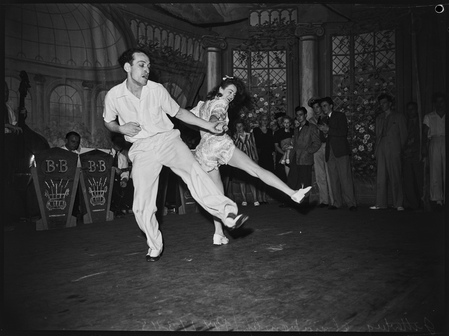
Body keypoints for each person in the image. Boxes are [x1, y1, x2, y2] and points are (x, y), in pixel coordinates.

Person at [103, 48, 248, 262]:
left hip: (167, 140)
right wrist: (120, 129)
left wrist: (208, 125)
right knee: (141, 205)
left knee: (195, 172)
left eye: (148, 66)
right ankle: (154, 245)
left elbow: (179, 113)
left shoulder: (157, 89)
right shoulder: (114, 95)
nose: (146, 69)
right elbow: (109, 121)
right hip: (142, 147)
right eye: (141, 64)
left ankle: (228, 213)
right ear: (128, 67)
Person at [191, 76, 312, 245]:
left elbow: (188, 116)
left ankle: (218, 234)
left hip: (204, 151)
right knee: (256, 170)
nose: (231, 96)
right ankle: (293, 193)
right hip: (219, 144)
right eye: (229, 91)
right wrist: (216, 124)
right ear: (220, 89)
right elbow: (216, 114)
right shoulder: (221, 103)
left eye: (234, 94)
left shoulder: (201, 105)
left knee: (217, 195)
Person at [370, 94, 407, 211]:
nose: (382, 105)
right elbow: (377, 135)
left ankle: (398, 203)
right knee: (381, 176)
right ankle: (381, 203)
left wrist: (399, 149)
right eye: (380, 104)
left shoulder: (399, 116)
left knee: (395, 175)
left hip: (394, 147)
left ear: (390, 103)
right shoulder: (379, 118)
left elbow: (404, 135)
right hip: (381, 146)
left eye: (384, 103)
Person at [320, 97, 358, 211]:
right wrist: (324, 133)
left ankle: (351, 203)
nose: (323, 108)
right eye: (322, 106)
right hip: (329, 152)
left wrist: (328, 129)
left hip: (340, 151)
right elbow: (322, 137)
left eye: (325, 105)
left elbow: (343, 132)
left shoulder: (340, 116)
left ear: (331, 105)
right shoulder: (323, 119)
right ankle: (337, 202)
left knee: (345, 178)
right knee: (333, 178)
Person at [287, 106, 321, 206]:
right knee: (294, 180)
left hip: (305, 159)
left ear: (305, 115)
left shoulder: (312, 127)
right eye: (297, 115)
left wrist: (307, 151)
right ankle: (295, 202)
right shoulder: (296, 129)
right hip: (296, 158)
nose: (299, 117)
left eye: (301, 115)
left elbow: (317, 143)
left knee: (305, 182)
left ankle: (305, 203)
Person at [308, 97, 333, 208]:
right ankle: (324, 200)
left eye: (318, 107)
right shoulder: (311, 121)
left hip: (327, 146)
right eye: (314, 108)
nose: (316, 109)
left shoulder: (328, 117)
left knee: (330, 174)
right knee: (319, 175)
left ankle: (334, 200)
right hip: (317, 148)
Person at [423, 92, 446, 208]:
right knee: (435, 169)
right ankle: (437, 198)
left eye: (442, 101)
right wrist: (425, 148)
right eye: (437, 102)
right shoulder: (429, 116)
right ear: (434, 103)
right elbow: (425, 133)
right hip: (435, 141)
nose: (440, 104)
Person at [231, 119, 259, 207]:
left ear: (244, 127)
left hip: (250, 159)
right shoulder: (234, 136)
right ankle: (244, 199)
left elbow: (254, 146)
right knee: (242, 181)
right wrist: (237, 137)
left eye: (240, 126)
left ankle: (255, 199)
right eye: (237, 126)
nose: (239, 128)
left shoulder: (250, 135)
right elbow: (233, 148)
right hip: (240, 161)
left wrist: (256, 159)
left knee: (252, 180)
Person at [402, 102, 424, 210]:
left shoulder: (421, 123)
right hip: (406, 155)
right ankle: (413, 204)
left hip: (417, 155)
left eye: (413, 109)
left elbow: (423, 139)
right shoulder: (405, 122)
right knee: (408, 181)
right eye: (409, 110)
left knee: (420, 180)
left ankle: (424, 202)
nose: (411, 112)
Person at [253, 114, 275, 204]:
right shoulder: (256, 130)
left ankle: (264, 197)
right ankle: (259, 197)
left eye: (266, 120)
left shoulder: (270, 131)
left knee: (267, 176)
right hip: (259, 156)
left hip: (268, 156)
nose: (265, 121)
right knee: (259, 177)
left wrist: (273, 153)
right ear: (260, 121)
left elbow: (272, 143)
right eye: (263, 119)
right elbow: (254, 144)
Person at [109, 133, 133, 216]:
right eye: (117, 142)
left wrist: (124, 179)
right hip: (106, 180)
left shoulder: (122, 157)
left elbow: (125, 172)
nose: (119, 144)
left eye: (121, 142)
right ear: (112, 143)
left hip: (116, 181)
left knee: (125, 186)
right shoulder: (106, 154)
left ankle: (118, 208)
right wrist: (113, 168)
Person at [273, 116, 294, 181]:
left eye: (288, 122)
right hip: (281, 155)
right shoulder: (278, 132)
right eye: (285, 122)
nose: (286, 124)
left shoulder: (293, 131)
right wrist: (284, 153)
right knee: (281, 176)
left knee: (291, 175)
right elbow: (276, 146)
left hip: (291, 156)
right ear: (282, 123)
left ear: (290, 123)